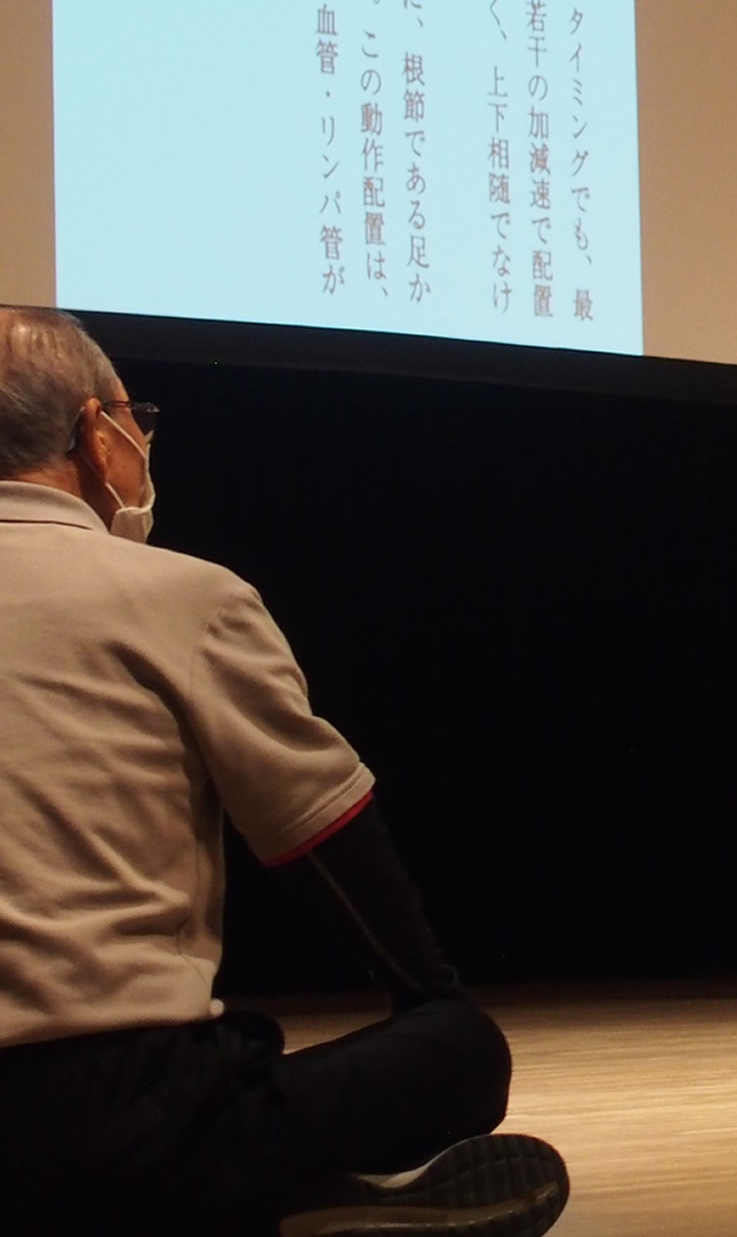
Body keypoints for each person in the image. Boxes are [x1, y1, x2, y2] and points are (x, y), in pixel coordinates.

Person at [0, 306, 571, 1234]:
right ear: (94, 432)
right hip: (121, 1121)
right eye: (137, 416)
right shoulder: (183, 596)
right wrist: (430, 1007)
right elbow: (323, 828)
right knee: (460, 1052)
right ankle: (291, 1203)